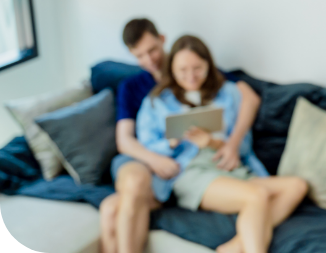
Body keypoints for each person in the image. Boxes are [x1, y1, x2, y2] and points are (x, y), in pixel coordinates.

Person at [99, 19, 262, 253]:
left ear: (162, 39)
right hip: (141, 156)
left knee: (111, 209)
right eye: (140, 56)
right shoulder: (133, 87)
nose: (149, 60)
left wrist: (233, 144)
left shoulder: (189, 66)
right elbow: (125, 140)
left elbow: (249, 97)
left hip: (180, 159)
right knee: (134, 184)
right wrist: (155, 160)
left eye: (152, 50)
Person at [136, 35, 307, 253]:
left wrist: (214, 143)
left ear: (208, 65)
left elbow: (243, 147)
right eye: (182, 70)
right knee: (257, 196)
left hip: (228, 166)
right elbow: (146, 146)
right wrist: (170, 143)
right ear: (172, 69)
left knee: (297, 186)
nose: (190, 76)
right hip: (191, 172)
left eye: (197, 68)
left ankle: (233, 247)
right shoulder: (157, 101)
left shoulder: (228, 94)